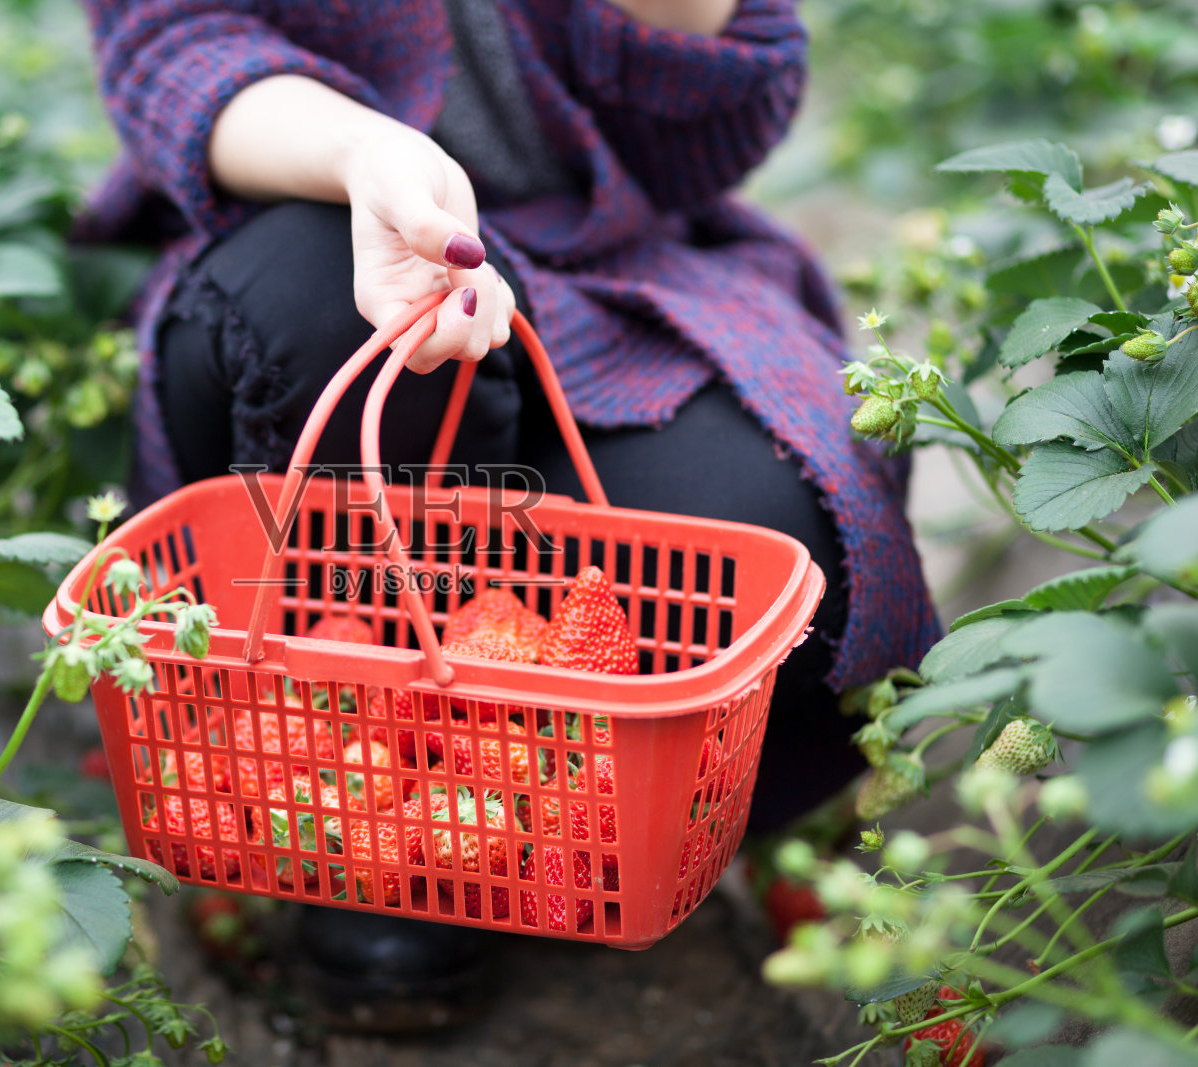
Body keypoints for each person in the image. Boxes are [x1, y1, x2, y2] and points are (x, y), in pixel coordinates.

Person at [77, 0, 940, 1030]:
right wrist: (367, 156)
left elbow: (715, 122)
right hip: (302, 247)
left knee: (790, 546)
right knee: (324, 300)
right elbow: (170, 45)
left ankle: (535, 815)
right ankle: (365, 838)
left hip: (606, 271)